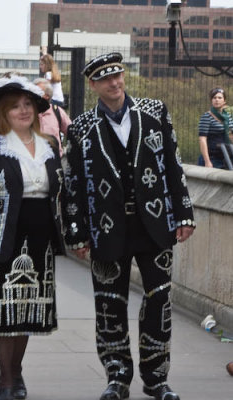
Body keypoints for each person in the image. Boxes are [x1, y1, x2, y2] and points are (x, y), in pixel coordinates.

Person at [63, 53, 195, 400]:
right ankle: (117, 376)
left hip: (154, 225)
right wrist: (75, 231)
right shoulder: (80, 128)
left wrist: (183, 214)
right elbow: (72, 183)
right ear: (93, 85)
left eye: (118, 75)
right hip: (106, 229)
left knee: (160, 301)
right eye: (106, 79)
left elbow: (173, 164)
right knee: (109, 303)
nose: (115, 83)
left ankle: (156, 379)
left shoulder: (155, 112)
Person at [0, 75, 65, 400]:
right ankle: (7, 380)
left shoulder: (49, 144)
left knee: (27, 311)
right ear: (2, 112)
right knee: (3, 312)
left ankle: (16, 372)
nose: (23, 111)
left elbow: (62, 192)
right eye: (15, 106)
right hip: (0, 236)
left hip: (40, 239)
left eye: (27, 105)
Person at [34, 77, 71, 157]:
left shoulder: (57, 111)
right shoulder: (28, 113)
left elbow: (71, 132)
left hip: (55, 161)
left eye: (37, 91)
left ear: (47, 96)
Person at [198, 88, 233, 169]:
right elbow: (202, 139)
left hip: (227, 156)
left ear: (224, 101)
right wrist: (207, 161)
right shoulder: (206, 117)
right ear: (211, 100)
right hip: (212, 157)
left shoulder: (227, 117)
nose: (217, 100)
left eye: (220, 98)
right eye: (214, 98)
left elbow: (231, 135)